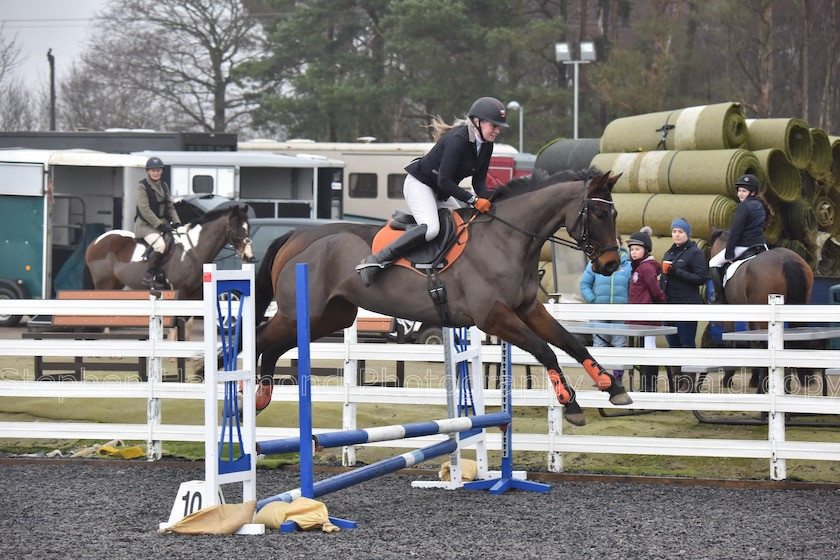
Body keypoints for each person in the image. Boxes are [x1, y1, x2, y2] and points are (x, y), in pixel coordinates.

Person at [356, 96, 507, 286]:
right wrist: (473, 200)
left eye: (498, 126)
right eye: (494, 125)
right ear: (478, 122)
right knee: (431, 229)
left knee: (463, 225)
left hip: (441, 191)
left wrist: (497, 200)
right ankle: (375, 261)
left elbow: (479, 184)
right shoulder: (457, 140)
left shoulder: (486, 145)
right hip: (421, 184)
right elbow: (444, 181)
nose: (497, 130)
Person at [660, 218, 707, 392]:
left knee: (686, 344)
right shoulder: (669, 253)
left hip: (687, 305)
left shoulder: (695, 253)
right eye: (674, 231)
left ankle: (688, 383)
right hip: (669, 306)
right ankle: (677, 382)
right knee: (673, 345)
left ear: (687, 234)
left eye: (680, 231)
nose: (677, 235)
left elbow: (701, 278)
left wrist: (676, 272)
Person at [708, 173, 771, 303]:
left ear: (752, 192)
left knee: (713, 262)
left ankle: (718, 296)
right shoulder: (761, 206)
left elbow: (736, 232)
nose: (740, 194)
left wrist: (729, 253)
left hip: (744, 246)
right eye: (739, 190)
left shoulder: (743, 206)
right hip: (761, 245)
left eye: (744, 191)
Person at [579, 236, 632, 384]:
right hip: (600, 310)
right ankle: (599, 377)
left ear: (619, 244)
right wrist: (593, 300)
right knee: (599, 343)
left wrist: (628, 303)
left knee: (619, 342)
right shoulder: (595, 263)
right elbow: (584, 284)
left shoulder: (627, 265)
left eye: (615, 241)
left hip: (620, 311)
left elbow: (633, 287)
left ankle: (618, 378)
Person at [626, 226, 666, 392]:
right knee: (642, 352)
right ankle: (645, 386)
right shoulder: (637, 267)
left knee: (649, 350)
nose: (634, 252)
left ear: (646, 250)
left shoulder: (646, 268)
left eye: (637, 249)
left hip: (647, 318)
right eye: (632, 249)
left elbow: (656, 291)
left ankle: (650, 387)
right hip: (638, 318)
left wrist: (662, 304)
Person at [134, 156, 181, 289]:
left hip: (163, 223)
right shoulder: (142, 187)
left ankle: (164, 273)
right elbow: (145, 210)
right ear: (148, 171)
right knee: (160, 245)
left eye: (158, 170)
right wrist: (160, 225)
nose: (156, 173)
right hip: (146, 225)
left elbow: (170, 206)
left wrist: (177, 222)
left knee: (177, 242)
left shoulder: (164, 186)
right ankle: (149, 276)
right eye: (153, 170)